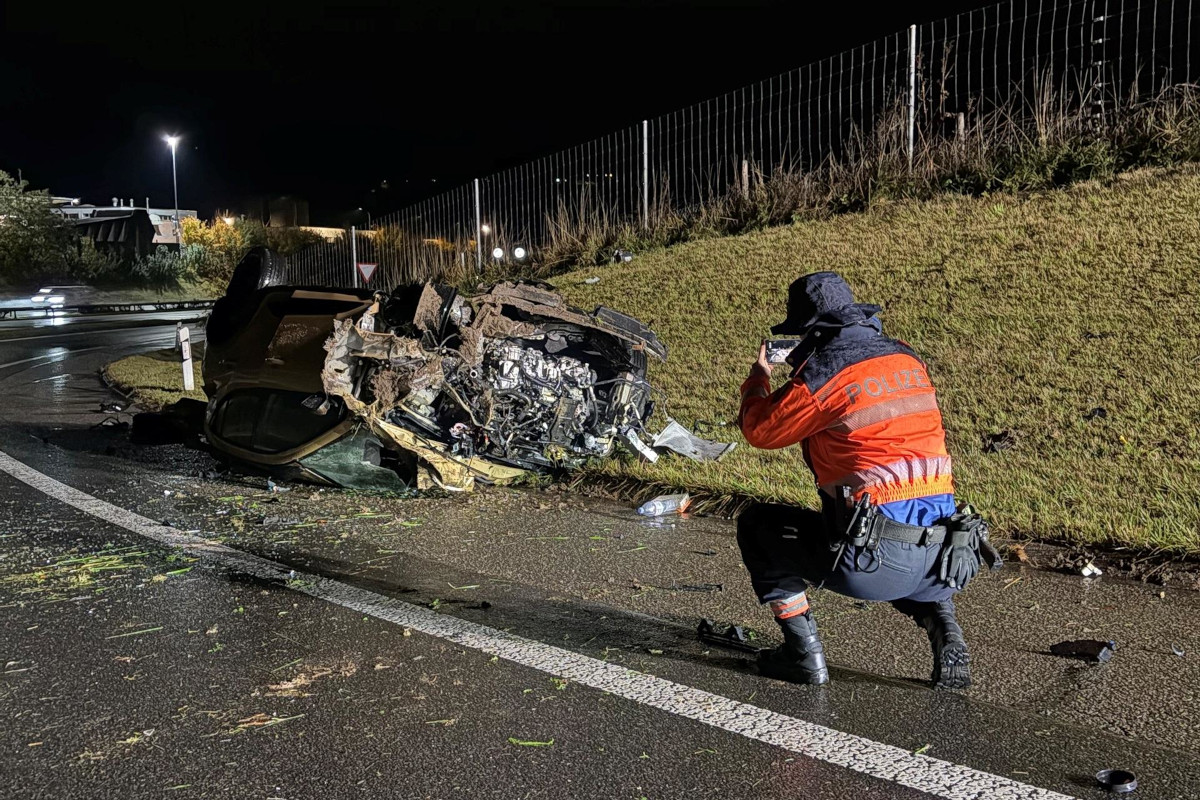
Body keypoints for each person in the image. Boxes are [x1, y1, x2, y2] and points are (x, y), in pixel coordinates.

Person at [736, 271, 996, 689]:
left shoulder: (823, 375)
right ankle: (946, 628)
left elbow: (759, 430)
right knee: (910, 519)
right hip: (949, 561)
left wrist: (759, 376)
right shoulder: (907, 359)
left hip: (875, 564)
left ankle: (803, 656)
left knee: (757, 526)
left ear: (808, 333)